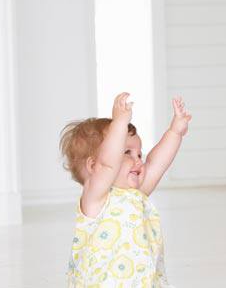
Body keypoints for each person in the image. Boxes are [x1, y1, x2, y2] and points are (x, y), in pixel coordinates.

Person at [61, 92, 191, 287]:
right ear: (93, 166)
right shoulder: (96, 197)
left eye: (139, 153)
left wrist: (174, 132)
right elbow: (108, 165)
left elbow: (156, 163)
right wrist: (119, 124)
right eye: (127, 152)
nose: (138, 160)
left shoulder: (135, 195)